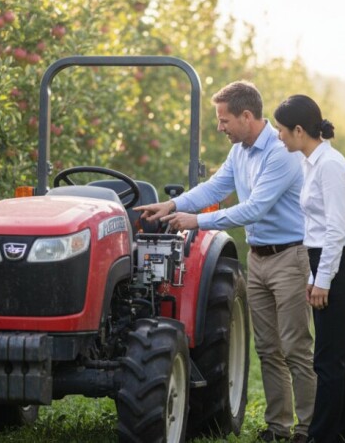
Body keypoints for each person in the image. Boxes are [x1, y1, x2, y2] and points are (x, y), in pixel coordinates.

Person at [135, 81, 316, 443]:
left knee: (296, 347)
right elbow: (216, 187)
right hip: (260, 258)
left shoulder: (281, 154)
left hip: (290, 258)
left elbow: (254, 208)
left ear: (246, 116)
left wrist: (196, 221)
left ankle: (310, 428)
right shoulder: (241, 152)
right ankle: (279, 427)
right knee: (267, 348)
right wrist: (173, 205)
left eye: (224, 119)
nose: (220, 127)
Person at [273, 95, 345, 443]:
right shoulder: (310, 162)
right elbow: (317, 231)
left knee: (327, 361)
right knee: (341, 357)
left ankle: (322, 437)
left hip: (341, 267)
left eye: (282, 130)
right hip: (326, 263)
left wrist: (323, 280)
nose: (279, 136)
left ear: (299, 130)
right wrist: (314, 276)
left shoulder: (329, 165)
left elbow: (335, 230)